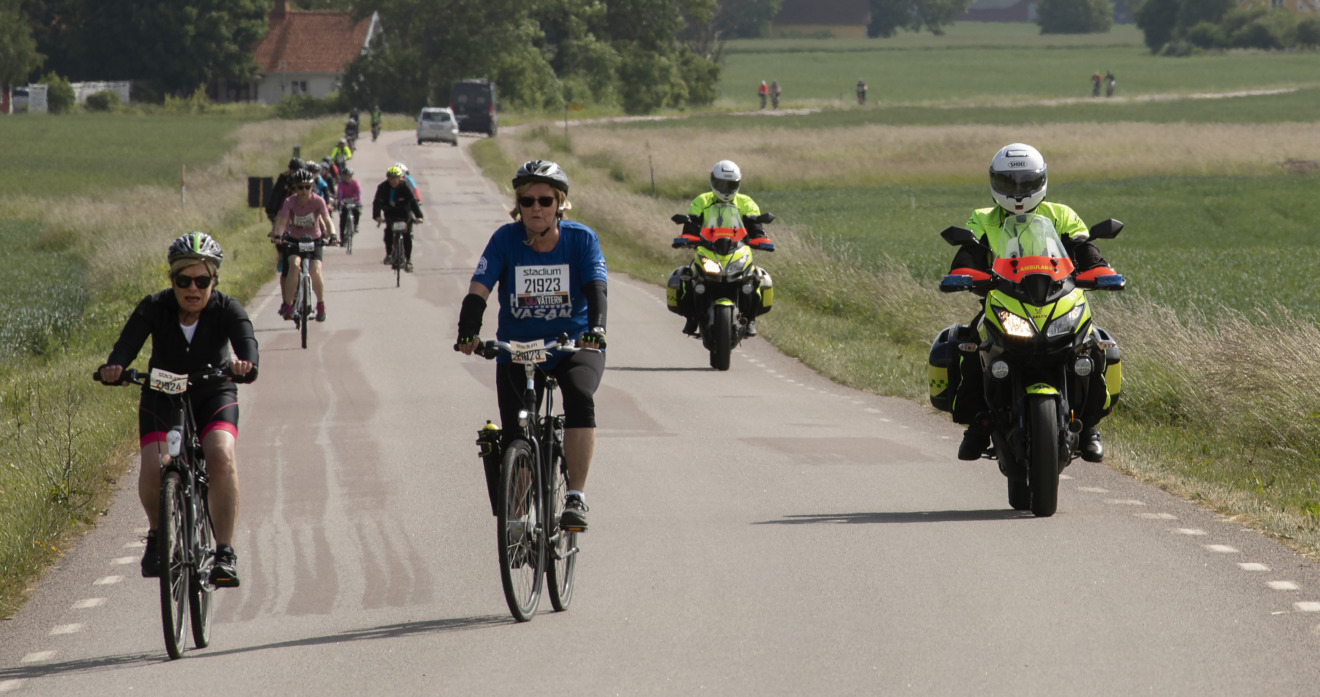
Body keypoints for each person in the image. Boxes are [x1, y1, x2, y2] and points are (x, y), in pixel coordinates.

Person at [98, 232, 258, 588]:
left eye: (202, 281)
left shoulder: (227, 309)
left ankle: (225, 552)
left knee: (220, 456)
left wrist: (246, 364)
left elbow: (246, 342)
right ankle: (157, 535)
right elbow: (127, 344)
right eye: (183, 280)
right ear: (172, 280)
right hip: (162, 396)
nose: (193, 288)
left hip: (213, 393)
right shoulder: (155, 307)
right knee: (156, 464)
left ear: (214, 281)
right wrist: (116, 367)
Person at [456, 160, 607, 531]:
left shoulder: (582, 240)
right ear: (518, 205)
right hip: (520, 350)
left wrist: (596, 330)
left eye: (544, 200)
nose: (536, 208)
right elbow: (479, 289)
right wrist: (467, 330)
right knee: (516, 433)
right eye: (527, 201)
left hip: (573, 345)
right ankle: (519, 522)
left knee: (579, 398)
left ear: (560, 204)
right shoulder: (504, 240)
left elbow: (596, 289)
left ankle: (575, 497)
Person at [947, 143, 1114, 463]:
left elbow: (1086, 250)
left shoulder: (1061, 215)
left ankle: (1089, 426)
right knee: (971, 346)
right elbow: (968, 254)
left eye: (1026, 183)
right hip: (1003, 299)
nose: (1019, 192)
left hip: (1058, 298)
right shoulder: (982, 218)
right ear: (995, 182)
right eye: (1010, 183)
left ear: (1041, 181)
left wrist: (1101, 272)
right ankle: (979, 423)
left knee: (1094, 346)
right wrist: (963, 274)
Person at [675, 159, 774, 337]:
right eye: (721, 184)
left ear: (738, 184)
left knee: (756, 279)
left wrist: (761, 239)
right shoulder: (702, 200)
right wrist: (686, 238)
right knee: (687, 277)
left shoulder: (746, 202)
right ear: (713, 181)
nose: (726, 188)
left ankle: (751, 318)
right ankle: (691, 318)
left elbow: (755, 227)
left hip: (738, 250)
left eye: (730, 184)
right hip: (708, 249)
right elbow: (691, 226)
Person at [269, 168, 337, 322]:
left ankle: (320, 305)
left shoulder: (318, 201)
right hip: (295, 239)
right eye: (300, 187)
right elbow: (282, 221)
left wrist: (333, 234)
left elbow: (327, 219)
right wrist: (279, 235)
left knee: (315, 270)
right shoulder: (289, 202)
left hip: (315, 239)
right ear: (295, 188)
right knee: (294, 264)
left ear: (312, 187)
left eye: (308, 187)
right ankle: (288, 304)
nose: (304, 190)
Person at [372, 164, 425, 272]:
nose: (393, 181)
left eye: (395, 178)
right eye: (390, 178)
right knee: (388, 233)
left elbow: (413, 201)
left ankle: (408, 260)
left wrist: (419, 216)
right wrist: (377, 216)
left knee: (407, 236)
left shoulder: (406, 186)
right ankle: (389, 255)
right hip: (390, 214)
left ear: (400, 178)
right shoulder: (382, 187)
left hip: (405, 214)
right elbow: (377, 202)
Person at [337, 166, 362, 239]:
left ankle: (356, 225)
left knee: (357, 211)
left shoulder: (355, 183)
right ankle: (342, 237)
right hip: (344, 201)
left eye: (349, 176)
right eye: (346, 176)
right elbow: (339, 194)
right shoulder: (341, 184)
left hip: (353, 200)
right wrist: (340, 202)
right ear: (343, 177)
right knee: (343, 219)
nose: (348, 178)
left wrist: (359, 201)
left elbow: (358, 193)